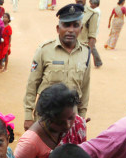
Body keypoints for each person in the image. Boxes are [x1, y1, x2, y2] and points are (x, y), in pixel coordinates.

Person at [23, 3, 91, 131]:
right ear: (58, 28)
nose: (71, 30)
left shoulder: (86, 53)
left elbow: (85, 88)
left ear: (81, 29)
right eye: (66, 25)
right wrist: (28, 115)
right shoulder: (44, 50)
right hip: (46, 117)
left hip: (70, 120)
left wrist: (81, 117)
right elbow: (32, 84)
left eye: (75, 25)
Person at [16, 83, 87, 158]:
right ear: (46, 117)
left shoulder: (78, 123)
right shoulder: (30, 142)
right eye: (59, 122)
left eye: (71, 117)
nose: (67, 125)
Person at [76, 0, 103, 67]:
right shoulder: (70, 11)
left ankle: (98, 62)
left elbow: (92, 35)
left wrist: (86, 56)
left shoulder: (92, 13)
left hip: (82, 48)